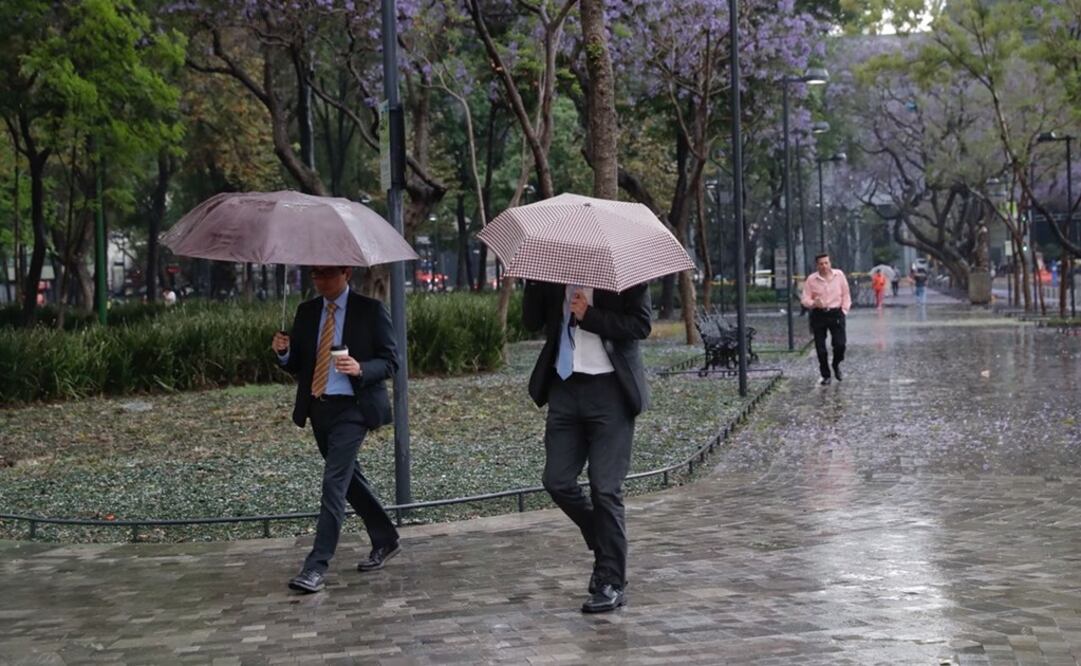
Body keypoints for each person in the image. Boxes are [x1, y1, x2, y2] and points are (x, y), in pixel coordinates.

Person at [522, 279, 651, 613]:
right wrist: (533, 282)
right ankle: (607, 543)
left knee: (605, 488)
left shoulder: (624, 272)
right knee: (557, 481)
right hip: (565, 388)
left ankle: (611, 580)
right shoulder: (552, 273)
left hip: (611, 391)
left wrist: (590, 315)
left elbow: (641, 325)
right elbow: (530, 323)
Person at [271, 265, 400, 594]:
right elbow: (299, 364)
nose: (320, 280)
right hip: (319, 408)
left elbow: (391, 361)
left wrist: (359, 368)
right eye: (315, 274)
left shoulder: (370, 311)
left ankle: (316, 566)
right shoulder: (307, 311)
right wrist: (284, 353)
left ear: (346, 273)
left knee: (333, 484)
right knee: (348, 480)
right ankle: (386, 538)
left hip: (354, 410)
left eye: (327, 274)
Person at [800, 253, 851, 386]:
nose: (824, 266)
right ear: (817, 265)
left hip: (836, 313)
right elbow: (805, 299)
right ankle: (826, 375)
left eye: (826, 263)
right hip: (819, 314)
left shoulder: (839, 275)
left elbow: (846, 294)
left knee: (840, 344)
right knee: (820, 348)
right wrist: (813, 303)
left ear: (830, 263)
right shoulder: (811, 279)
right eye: (821, 264)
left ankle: (836, 364)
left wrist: (844, 310)